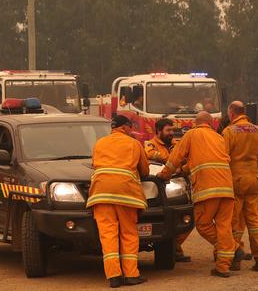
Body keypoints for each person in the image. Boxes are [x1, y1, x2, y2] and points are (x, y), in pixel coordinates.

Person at [157, 111, 241, 278]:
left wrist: (164, 175)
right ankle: (223, 266)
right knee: (224, 227)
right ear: (211, 124)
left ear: (196, 123)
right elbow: (207, 160)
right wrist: (187, 169)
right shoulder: (218, 137)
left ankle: (233, 248)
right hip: (226, 188)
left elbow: (176, 157)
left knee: (203, 224)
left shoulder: (192, 134)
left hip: (207, 189)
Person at [87, 115, 149, 287]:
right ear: (126, 127)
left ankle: (113, 276)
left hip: (100, 193)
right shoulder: (133, 143)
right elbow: (144, 170)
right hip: (125, 194)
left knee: (108, 235)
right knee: (128, 234)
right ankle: (131, 275)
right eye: (131, 127)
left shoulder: (99, 143)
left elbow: (95, 165)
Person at [222, 101, 258, 272]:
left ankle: (236, 257)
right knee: (254, 220)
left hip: (235, 180)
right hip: (253, 180)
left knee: (234, 221)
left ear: (232, 113)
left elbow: (223, 157)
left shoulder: (229, 131)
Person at [144, 118, 191, 263]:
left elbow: (187, 158)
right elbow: (151, 155)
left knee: (187, 219)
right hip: (158, 190)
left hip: (177, 187)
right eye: (168, 130)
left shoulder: (177, 144)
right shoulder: (149, 144)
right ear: (158, 131)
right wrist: (174, 158)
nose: (171, 133)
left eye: (172, 130)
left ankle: (175, 247)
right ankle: (174, 249)